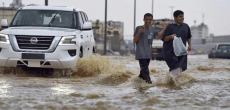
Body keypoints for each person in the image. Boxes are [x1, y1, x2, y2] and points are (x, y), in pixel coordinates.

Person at [133, 13, 168, 84]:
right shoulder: (138, 28)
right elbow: (134, 41)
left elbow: (159, 35)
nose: (148, 21)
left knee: (143, 73)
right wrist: (139, 33)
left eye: (150, 20)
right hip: (141, 54)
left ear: (151, 20)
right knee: (146, 72)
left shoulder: (152, 29)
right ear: (143, 19)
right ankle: (149, 86)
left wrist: (165, 27)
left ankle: (137, 84)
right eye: (146, 19)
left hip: (148, 54)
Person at [161, 10, 192, 81]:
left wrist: (189, 45)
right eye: (180, 17)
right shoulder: (170, 27)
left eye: (183, 17)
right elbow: (164, 39)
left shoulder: (186, 26)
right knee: (176, 68)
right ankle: (173, 85)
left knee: (179, 69)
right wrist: (170, 37)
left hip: (182, 52)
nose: (182, 18)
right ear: (175, 17)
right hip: (170, 52)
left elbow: (189, 37)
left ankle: (172, 85)